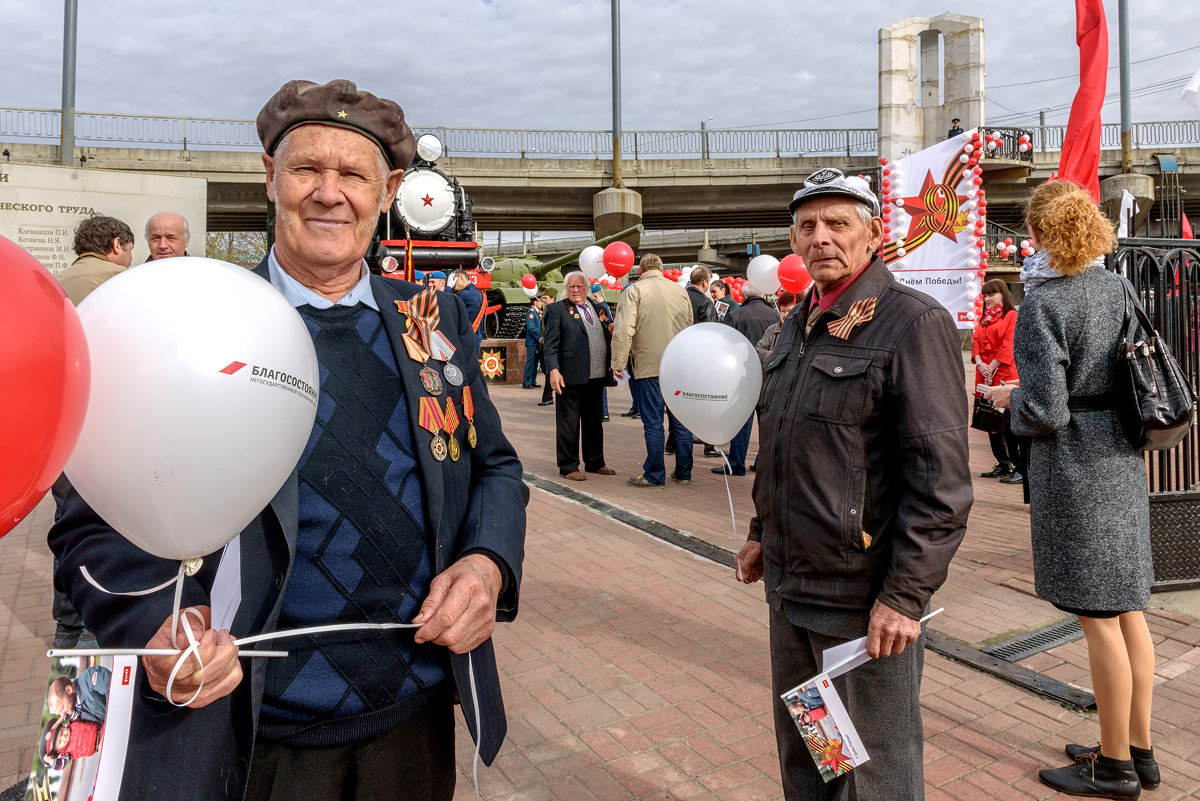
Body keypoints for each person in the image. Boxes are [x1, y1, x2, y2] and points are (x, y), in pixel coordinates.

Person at [49, 78, 528, 801]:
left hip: (412, 718)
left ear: (389, 189)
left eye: (354, 174)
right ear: (270, 178)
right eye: (307, 169)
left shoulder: (433, 322)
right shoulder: (195, 322)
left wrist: (486, 564)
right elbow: (89, 513)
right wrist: (155, 625)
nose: (329, 193)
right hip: (247, 731)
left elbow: (494, 466)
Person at [735, 167, 971, 800]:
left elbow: (941, 483)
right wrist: (762, 531)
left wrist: (904, 595)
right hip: (792, 592)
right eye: (807, 226)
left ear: (872, 235)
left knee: (872, 777)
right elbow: (781, 443)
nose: (821, 238)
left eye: (839, 223)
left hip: (862, 606)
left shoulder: (912, 324)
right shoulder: (796, 324)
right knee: (816, 759)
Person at [982, 181, 1158, 799]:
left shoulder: (1044, 304)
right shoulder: (1117, 286)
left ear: (1039, 236)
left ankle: (1113, 768)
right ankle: (1137, 747)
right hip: (1122, 455)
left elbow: (1048, 410)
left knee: (1098, 617)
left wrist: (1008, 401)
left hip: (1079, 467)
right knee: (1129, 608)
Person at [49, 215, 135, 649]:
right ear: (117, 245)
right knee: (114, 527)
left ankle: (67, 626)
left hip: (61, 431)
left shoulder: (51, 283)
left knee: (69, 523)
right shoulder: (128, 286)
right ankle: (107, 622)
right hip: (113, 427)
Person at [610, 253, 695, 488]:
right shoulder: (680, 291)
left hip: (649, 366)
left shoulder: (634, 290)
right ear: (661, 268)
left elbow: (625, 328)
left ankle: (655, 474)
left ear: (641, 270)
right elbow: (689, 326)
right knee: (681, 421)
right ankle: (684, 472)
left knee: (654, 422)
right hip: (678, 365)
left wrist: (618, 362)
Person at [543, 272, 616, 481]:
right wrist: (553, 370)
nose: (576, 290)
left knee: (594, 422)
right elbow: (549, 345)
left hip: (596, 375)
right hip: (570, 375)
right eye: (572, 286)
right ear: (567, 288)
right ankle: (568, 466)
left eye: (579, 286)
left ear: (586, 288)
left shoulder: (597, 307)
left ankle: (595, 462)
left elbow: (602, 333)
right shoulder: (556, 310)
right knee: (569, 423)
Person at [716, 284, 778, 476]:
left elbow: (724, 346)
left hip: (744, 376)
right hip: (770, 374)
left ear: (743, 295)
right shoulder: (775, 315)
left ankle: (736, 463)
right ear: (762, 293)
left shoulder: (736, 315)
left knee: (742, 422)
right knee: (767, 423)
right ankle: (763, 462)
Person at [971, 279, 1022, 483]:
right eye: (985, 295)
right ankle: (1003, 463)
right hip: (984, 375)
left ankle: (1018, 466)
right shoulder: (984, 318)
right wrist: (980, 362)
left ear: (1003, 294)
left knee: (1008, 423)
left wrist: (991, 366)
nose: (987, 299)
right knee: (990, 421)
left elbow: (1009, 345)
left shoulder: (1011, 316)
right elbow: (976, 342)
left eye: (991, 294)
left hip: (1003, 375)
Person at [54, 215, 135, 306]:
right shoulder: (124, 277)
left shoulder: (56, 280)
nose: (131, 257)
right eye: (130, 250)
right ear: (117, 245)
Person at [47, 665, 112, 724]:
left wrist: (110, 721)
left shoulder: (88, 678)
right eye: (60, 714)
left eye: (62, 708)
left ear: (69, 690)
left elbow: (112, 689)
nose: (63, 715)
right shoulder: (77, 713)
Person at [754, 289, 798, 364]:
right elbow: (758, 350)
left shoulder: (802, 331)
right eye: (783, 311)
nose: (786, 315)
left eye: (790, 311)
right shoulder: (772, 330)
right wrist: (776, 356)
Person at [448, 268, 485, 351]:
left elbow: (445, 305)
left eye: (454, 280)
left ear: (461, 277)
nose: (453, 285)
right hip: (475, 337)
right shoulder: (479, 293)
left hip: (464, 340)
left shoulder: (464, 295)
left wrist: (448, 288)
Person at [523, 294, 545, 389]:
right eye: (540, 301)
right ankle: (526, 382)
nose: (541, 303)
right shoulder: (531, 312)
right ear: (535, 302)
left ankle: (532, 381)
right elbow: (531, 328)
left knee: (535, 362)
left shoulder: (537, 313)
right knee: (530, 362)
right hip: (532, 341)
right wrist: (539, 337)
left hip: (536, 342)